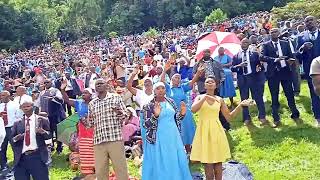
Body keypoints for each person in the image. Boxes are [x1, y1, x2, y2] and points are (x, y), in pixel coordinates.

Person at [190, 76, 253, 180]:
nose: (210, 83)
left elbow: (229, 117)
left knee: (218, 162)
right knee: (208, 163)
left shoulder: (220, 100)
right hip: (204, 131)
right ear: (204, 85)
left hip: (216, 130)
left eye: (212, 82)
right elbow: (193, 109)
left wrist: (240, 105)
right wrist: (205, 97)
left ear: (216, 85)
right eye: (207, 82)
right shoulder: (199, 97)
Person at [141, 82, 192, 180]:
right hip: (158, 138)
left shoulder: (171, 101)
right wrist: (155, 116)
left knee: (173, 159)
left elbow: (176, 119)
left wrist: (182, 113)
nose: (160, 90)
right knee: (162, 160)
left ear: (165, 90)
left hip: (173, 136)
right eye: (158, 88)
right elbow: (146, 125)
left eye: (163, 88)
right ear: (154, 91)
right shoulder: (149, 106)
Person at [87, 79, 129, 180]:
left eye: (101, 83)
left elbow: (126, 116)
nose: (99, 85)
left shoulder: (115, 98)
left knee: (120, 169)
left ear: (106, 85)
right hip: (99, 141)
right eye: (97, 84)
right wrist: (86, 122)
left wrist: (120, 113)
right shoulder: (92, 104)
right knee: (101, 171)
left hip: (114, 139)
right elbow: (91, 124)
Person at [261, 28, 301, 128]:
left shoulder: (285, 43)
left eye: (275, 32)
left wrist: (290, 60)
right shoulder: (266, 45)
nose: (273, 33)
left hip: (285, 72)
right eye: (271, 32)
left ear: (279, 33)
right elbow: (261, 57)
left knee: (289, 93)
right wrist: (275, 60)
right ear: (270, 34)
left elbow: (291, 55)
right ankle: (276, 118)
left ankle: (295, 114)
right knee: (274, 96)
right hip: (273, 74)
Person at [60, 80, 95, 175]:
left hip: (94, 128)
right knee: (84, 146)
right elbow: (67, 100)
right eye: (82, 93)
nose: (83, 94)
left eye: (86, 93)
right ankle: (86, 168)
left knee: (93, 147)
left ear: (91, 95)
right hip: (82, 128)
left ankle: (94, 166)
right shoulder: (78, 103)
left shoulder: (96, 103)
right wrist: (63, 90)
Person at [11, 99, 51, 180]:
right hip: (21, 158)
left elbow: (49, 137)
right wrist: (16, 138)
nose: (26, 108)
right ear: (21, 108)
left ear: (33, 107)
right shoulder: (17, 123)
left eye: (28, 106)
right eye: (24, 107)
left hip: (37, 156)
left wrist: (43, 132)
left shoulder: (42, 120)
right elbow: (12, 140)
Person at [232, 38, 267, 126]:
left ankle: (262, 117)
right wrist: (239, 65)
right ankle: (246, 118)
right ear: (240, 44)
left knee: (258, 98)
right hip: (242, 79)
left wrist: (259, 70)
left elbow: (260, 65)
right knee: (244, 100)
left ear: (249, 44)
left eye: (246, 42)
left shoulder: (254, 54)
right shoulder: (236, 56)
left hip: (253, 78)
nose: (244, 43)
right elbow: (232, 68)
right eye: (243, 42)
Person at [296, 16, 320, 127]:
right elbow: (297, 55)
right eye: (307, 21)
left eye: (311, 20)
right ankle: (318, 117)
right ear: (305, 24)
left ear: (316, 22)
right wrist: (303, 49)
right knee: (314, 92)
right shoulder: (301, 37)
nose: (309, 22)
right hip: (311, 69)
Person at [39, 79, 65, 154]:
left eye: (48, 82)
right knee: (48, 132)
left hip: (55, 115)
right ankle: (51, 147)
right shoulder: (42, 93)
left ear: (51, 83)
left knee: (58, 132)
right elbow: (38, 104)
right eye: (45, 82)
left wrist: (53, 98)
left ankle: (59, 147)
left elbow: (61, 100)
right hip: (45, 116)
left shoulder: (56, 91)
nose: (46, 84)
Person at [0, 91, 19, 175]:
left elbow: (19, 117)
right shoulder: (0, 106)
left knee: (15, 147)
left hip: (12, 128)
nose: (1, 97)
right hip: (2, 129)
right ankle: (4, 165)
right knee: (2, 148)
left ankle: (17, 165)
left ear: (8, 96)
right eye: (1, 95)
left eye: (3, 95)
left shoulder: (15, 105)